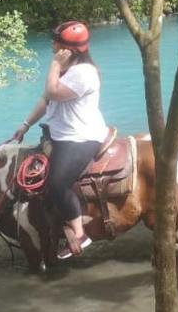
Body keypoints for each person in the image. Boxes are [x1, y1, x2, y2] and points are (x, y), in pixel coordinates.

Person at [13, 21, 108, 260]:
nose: (52, 46)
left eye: (56, 42)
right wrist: (25, 125)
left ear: (68, 49)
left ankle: (80, 233)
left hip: (80, 136)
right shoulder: (68, 69)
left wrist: (55, 65)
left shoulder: (84, 73)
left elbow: (53, 92)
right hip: (60, 133)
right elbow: (46, 100)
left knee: (57, 184)